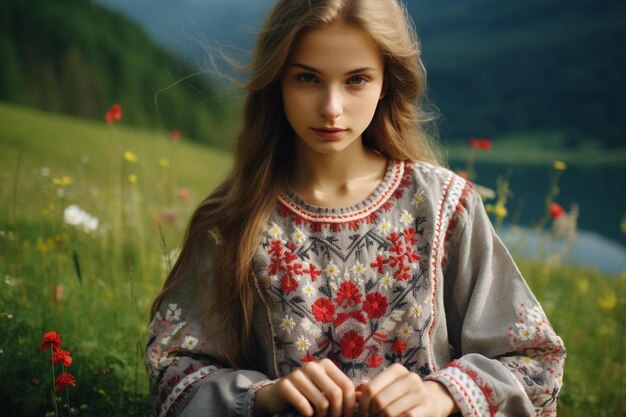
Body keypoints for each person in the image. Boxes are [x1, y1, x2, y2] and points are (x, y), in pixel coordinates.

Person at [145, 0, 566, 416]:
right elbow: (171, 373)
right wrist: (265, 396)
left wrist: (442, 395)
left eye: (357, 80)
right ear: (277, 81)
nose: (331, 107)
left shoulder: (443, 206)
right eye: (308, 78)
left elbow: (536, 361)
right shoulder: (233, 218)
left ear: (387, 82)